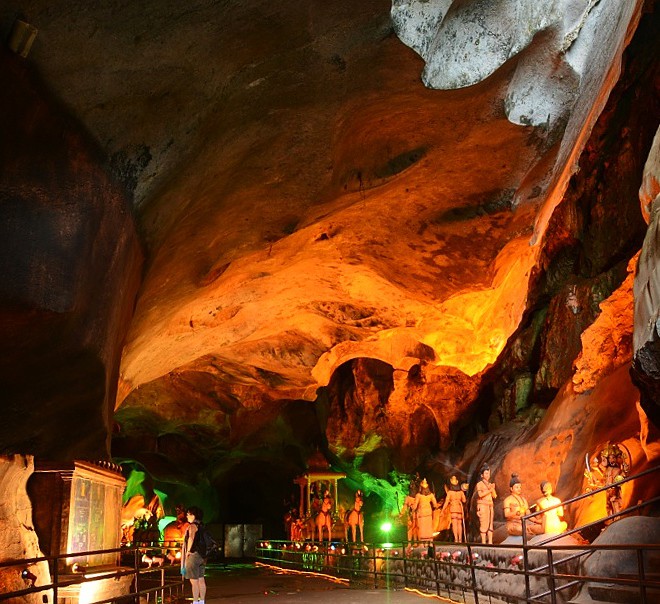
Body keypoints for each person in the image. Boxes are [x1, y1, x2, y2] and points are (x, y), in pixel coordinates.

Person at [181, 506, 208, 604]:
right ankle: (202, 601)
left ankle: (196, 601)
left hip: (194, 555)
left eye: (188, 514)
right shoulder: (202, 525)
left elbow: (191, 538)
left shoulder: (192, 526)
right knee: (201, 579)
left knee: (194, 581)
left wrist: (188, 551)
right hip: (202, 556)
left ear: (193, 515)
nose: (187, 516)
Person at [476, 464, 497, 544]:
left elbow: (494, 496)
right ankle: (484, 542)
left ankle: (490, 542)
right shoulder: (479, 484)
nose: (488, 475)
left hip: (490, 505)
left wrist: (492, 489)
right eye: (486, 473)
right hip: (483, 505)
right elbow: (480, 495)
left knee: (490, 524)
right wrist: (489, 490)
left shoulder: (490, 484)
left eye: (489, 473)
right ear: (482, 475)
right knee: (484, 524)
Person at [442, 475, 466, 542]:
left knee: (455, 524)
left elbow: (446, 502)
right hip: (459, 509)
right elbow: (464, 500)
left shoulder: (450, 493)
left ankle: (456, 539)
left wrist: (442, 510)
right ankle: (460, 539)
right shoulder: (461, 492)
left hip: (453, 509)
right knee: (459, 524)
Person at [413, 478, 438, 542]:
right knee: (428, 527)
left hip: (421, 512)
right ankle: (430, 541)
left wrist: (412, 509)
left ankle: (422, 542)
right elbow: (435, 504)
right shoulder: (431, 495)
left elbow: (415, 505)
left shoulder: (418, 495)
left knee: (422, 527)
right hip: (428, 512)